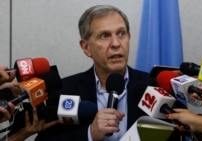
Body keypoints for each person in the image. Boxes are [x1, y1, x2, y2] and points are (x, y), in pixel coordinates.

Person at [36, 5, 180, 141]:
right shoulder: (64, 91)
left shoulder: (157, 87)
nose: (116, 44)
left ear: (129, 38)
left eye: (121, 34)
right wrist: (90, 134)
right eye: (105, 36)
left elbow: (177, 135)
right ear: (86, 47)